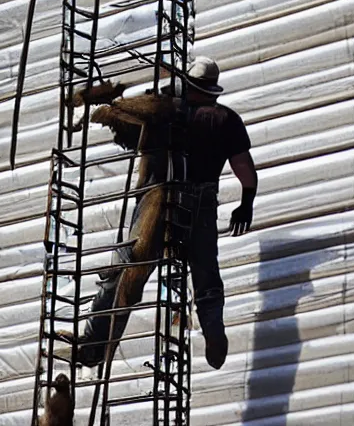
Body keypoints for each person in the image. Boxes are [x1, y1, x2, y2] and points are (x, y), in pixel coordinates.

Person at [77, 56, 257, 370]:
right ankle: (213, 329)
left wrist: (114, 108)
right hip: (201, 200)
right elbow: (244, 168)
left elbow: (128, 135)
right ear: (213, 90)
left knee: (126, 270)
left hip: (157, 200)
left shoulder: (164, 113)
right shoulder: (226, 119)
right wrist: (246, 202)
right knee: (205, 273)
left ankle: (93, 343)